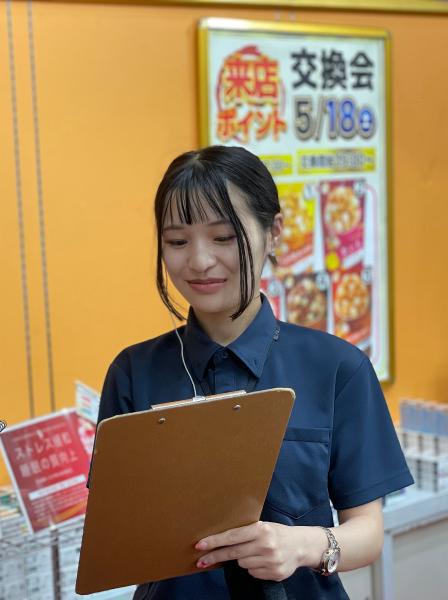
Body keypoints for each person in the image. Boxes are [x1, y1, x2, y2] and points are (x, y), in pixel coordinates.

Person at [96, 145, 412, 599]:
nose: (200, 261)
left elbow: (368, 532)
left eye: (223, 238)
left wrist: (301, 545)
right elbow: (118, 530)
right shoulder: (133, 372)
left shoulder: (337, 367)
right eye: (177, 241)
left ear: (274, 232)